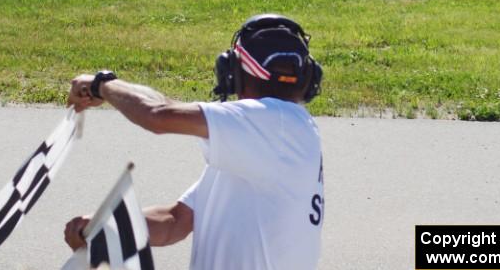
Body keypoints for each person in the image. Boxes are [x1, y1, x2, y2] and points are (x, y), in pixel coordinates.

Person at [64, 14, 325, 270]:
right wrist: (108, 228)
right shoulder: (267, 140)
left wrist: (101, 85)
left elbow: (158, 114)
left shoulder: (276, 125)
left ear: (232, 72)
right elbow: (175, 221)